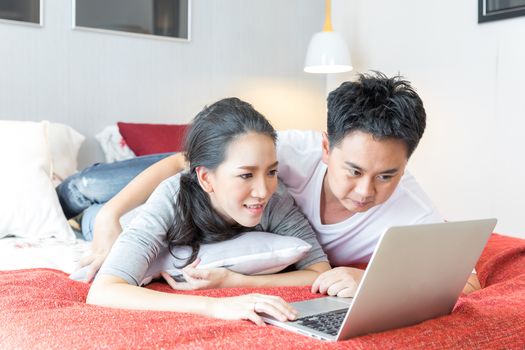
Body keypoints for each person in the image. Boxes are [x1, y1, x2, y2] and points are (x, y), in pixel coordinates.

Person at [59, 72, 480, 297]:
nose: (366, 191)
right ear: (325, 149)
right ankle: (74, 193)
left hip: (211, 212)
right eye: (353, 170)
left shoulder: (411, 208)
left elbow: (468, 280)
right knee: (87, 191)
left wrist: (365, 283)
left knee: (98, 220)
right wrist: (113, 217)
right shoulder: (284, 152)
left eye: (387, 175)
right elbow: (178, 164)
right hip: (182, 179)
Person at [85, 97, 330, 325]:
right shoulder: (172, 197)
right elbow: (104, 290)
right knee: (86, 198)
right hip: (123, 218)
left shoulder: (276, 201)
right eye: (246, 175)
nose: (263, 191)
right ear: (205, 178)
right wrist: (213, 306)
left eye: (271, 172)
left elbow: (318, 271)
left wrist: (238, 282)